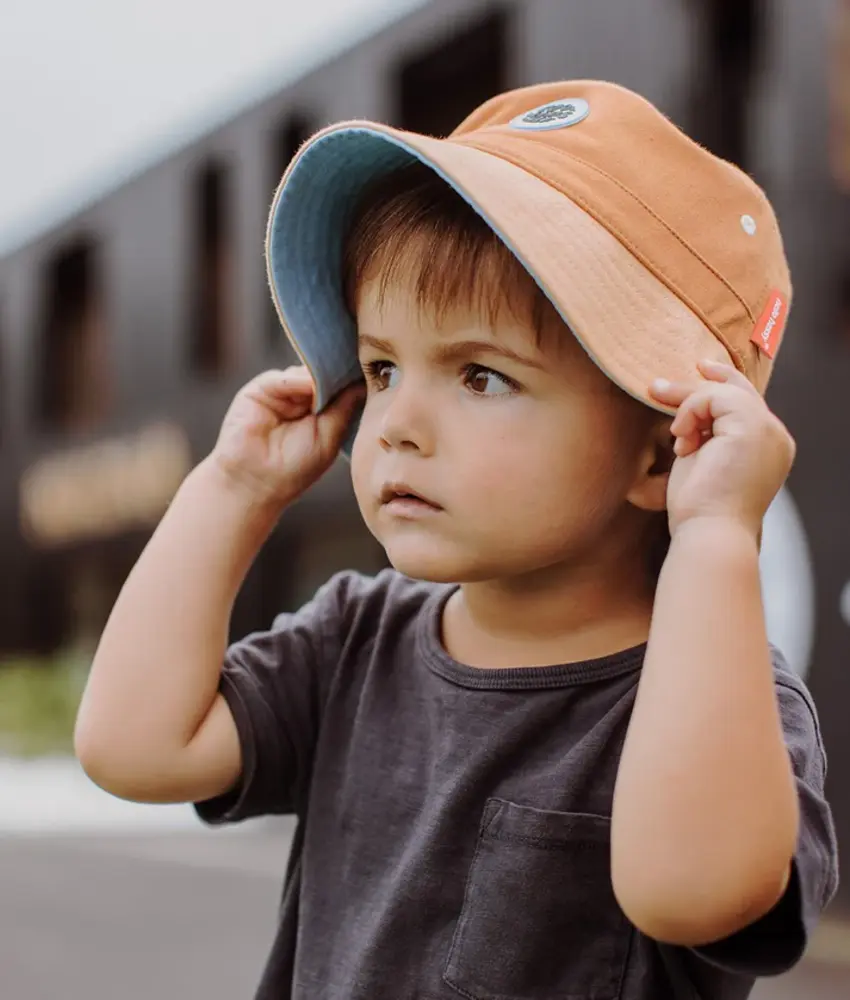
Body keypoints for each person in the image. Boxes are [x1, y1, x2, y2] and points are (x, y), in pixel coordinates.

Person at [74, 80, 839, 999]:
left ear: (661, 450)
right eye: (382, 367)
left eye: (481, 375)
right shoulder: (356, 638)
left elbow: (692, 891)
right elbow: (136, 747)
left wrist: (717, 531)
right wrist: (231, 488)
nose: (394, 422)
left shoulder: (721, 700)